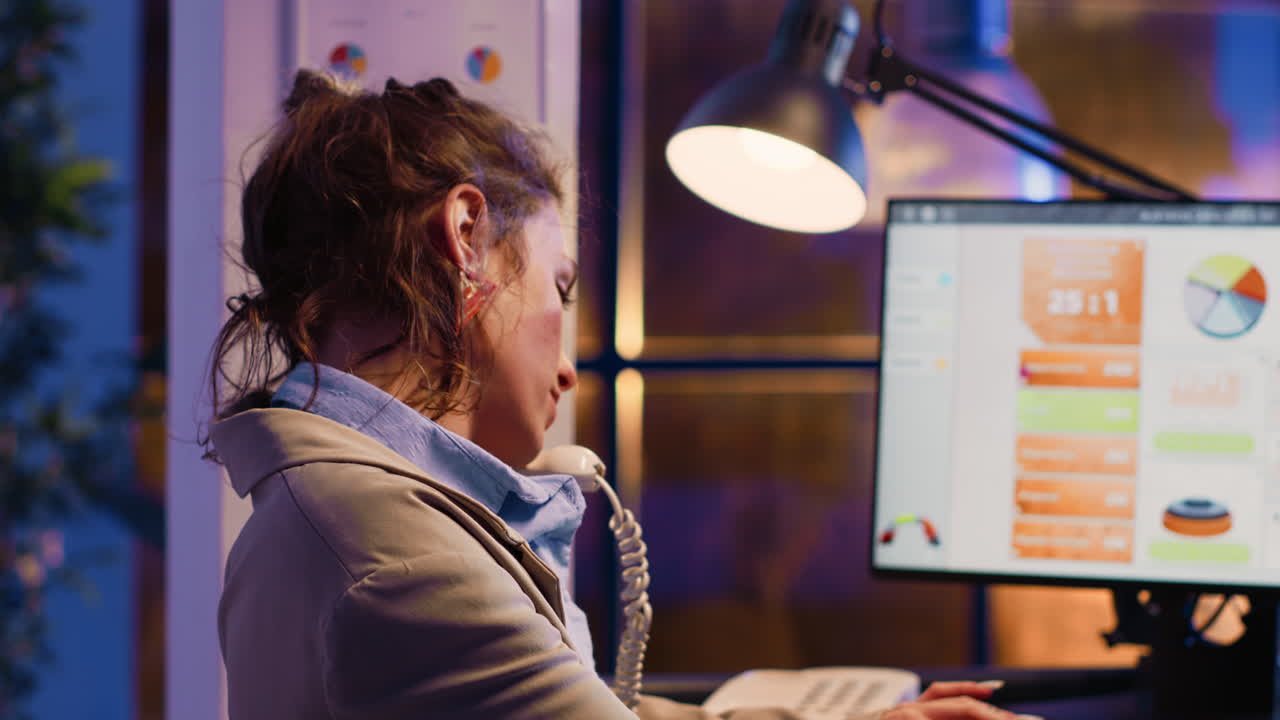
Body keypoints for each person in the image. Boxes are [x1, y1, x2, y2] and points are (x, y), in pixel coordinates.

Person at [206, 69, 1038, 720]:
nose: (567, 370)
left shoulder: (333, 508)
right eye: (558, 289)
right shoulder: (400, 560)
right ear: (465, 236)